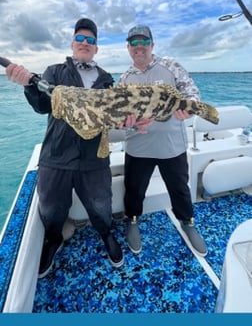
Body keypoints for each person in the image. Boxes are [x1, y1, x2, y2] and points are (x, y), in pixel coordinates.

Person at [6, 18, 129, 278]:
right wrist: (28, 85)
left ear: (96, 48)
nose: (85, 43)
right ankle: (54, 239)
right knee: (51, 207)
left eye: (91, 40)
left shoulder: (107, 81)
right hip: (56, 156)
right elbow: (41, 106)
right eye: (80, 39)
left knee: (100, 204)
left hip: (95, 158)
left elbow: (114, 116)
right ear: (73, 44)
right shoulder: (54, 72)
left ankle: (106, 233)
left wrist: (130, 121)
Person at [118, 24, 208, 257]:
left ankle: (187, 223)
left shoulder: (171, 66)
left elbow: (193, 94)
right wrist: (126, 121)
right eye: (134, 43)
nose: (139, 47)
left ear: (152, 44)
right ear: (128, 48)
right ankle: (132, 220)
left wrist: (189, 110)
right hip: (138, 147)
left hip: (172, 146)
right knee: (134, 190)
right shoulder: (124, 79)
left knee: (180, 189)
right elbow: (118, 116)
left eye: (144, 42)